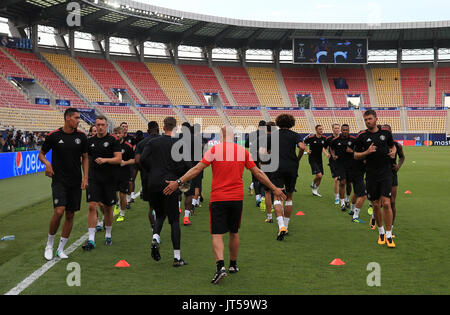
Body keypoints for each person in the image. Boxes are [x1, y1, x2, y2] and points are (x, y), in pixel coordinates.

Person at [163, 125, 286, 284]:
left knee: (217, 234)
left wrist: (178, 181)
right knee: (234, 232)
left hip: (218, 198)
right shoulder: (242, 151)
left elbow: (197, 169)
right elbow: (258, 173)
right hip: (236, 198)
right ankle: (233, 265)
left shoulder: (214, 151)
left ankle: (220, 266)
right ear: (233, 136)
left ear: (221, 136)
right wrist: (274, 188)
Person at [38, 108, 89, 260]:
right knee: (59, 211)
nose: (78, 120)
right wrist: (47, 163)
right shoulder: (54, 136)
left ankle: (60, 248)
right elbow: (41, 154)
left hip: (75, 181)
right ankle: (49, 244)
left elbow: (85, 157)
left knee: (70, 214)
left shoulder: (81, 136)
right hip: (59, 180)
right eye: (76, 117)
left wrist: (85, 177)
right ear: (67, 118)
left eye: (79, 118)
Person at [140, 117, 190, 267]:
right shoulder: (179, 143)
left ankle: (155, 237)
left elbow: (142, 159)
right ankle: (177, 257)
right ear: (175, 128)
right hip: (171, 183)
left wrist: (153, 172)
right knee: (174, 220)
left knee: (160, 214)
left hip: (154, 183)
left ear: (163, 127)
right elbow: (187, 165)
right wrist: (177, 176)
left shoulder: (153, 142)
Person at [354, 110, 397, 248]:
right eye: (366, 119)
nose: (368, 121)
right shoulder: (362, 136)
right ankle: (381, 233)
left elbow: (392, 145)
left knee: (386, 203)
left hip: (386, 173)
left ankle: (389, 235)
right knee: (376, 205)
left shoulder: (386, 134)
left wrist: (393, 151)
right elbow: (355, 155)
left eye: (370, 119)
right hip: (371, 175)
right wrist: (366, 152)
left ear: (376, 119)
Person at [82, 116, 122, 250]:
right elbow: (85, 159)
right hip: (94, 178)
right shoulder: (90, 141)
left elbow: (118, 159)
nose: (100, 127)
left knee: (108, 207)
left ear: (106, 126)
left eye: (102, 125)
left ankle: (108, 235)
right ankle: (91, 240)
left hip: (109, 179)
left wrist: (105, 160)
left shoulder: (113, 140)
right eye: (98, 124)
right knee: (92, 206)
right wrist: (85, 177)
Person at [266, 114, 306, 240]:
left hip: (277, 167)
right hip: (291, 167)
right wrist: (297, 158)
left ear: (278, 123)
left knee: (277, 196)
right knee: (289, 197)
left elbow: (267, 152)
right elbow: (302, 147)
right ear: (291, 123)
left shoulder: (272, 135)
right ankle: (286, 226)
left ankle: (281, 226)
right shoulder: (294, 135)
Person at [135, 121, 161, 233]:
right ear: (158, 130)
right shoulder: (163, 141)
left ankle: (153, 229)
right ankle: (158, 230)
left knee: (151, 206)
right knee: (161, 206)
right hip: (162, 177)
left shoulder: (141, 144)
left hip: (147, 177)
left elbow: (137, 161)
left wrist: (145, 170)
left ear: (147, 131)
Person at [383, 124, 405, 235]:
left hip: (392, 175)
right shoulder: (377, 145)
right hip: (379, 175)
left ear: (391, 132)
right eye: (384, 131)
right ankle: (375, 218)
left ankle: (390, 228)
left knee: (392, 202)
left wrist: (398, 166)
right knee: (379, 203)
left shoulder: (397, 145)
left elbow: (402, 157)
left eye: (388, 131)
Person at [330, 124, 355, 211]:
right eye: (343, 130)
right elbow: (331, 148)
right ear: (341, 130)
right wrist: (333, 155)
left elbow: (358, 150)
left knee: (349, 184)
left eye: (346, 130)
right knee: (342, 183)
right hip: (340, 165)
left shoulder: (353, 139)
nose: (345, 131)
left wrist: (351, 151)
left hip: (351, 165)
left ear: (349, 130)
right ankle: (343, 203)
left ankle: (348, 200)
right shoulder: (336, 140)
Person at [113, 126, 135, 222]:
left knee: (122, 195)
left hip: (124, 173)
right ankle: (117, 204)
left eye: (119, 133)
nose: (117, 135)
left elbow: (133, 160)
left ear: (123, 134)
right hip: (112, 173)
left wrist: (125, 162)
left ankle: (122, 213)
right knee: (114, 194)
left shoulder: (128, 146)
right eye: (116, 133)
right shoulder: (111, 145)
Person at [303, 125, 330, 197]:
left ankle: (315, 191)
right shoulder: (311, 138)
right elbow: (303, 143)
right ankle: (313, 183)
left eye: (322, 129)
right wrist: (307, 150)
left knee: (320, 177)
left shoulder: (324, 138)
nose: (321, 130)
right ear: (316, 130)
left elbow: (323, 148)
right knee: (319, 175)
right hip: (312, 158)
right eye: (320, 129)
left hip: (319, 159)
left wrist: (327, 154)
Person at [246, 120, 267, 207]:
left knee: (255, 178)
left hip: (253, 156)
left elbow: (246, 144)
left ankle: (257, 197)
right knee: (263, 176)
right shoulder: (266, 135)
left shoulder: (252, 134)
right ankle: (263, 196)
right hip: (263, 157)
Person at [325, 124, 341, 205]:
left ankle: (344, 198)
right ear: (332, 129)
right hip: (333, 162)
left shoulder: (343, 138)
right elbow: (323, 147)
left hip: (342, 162)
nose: (337, 130)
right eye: (335, 128)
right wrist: (326, 154)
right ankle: (337, 197)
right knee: (336, 179)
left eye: (338, 128)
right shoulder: (328, 139)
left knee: (344, 180)